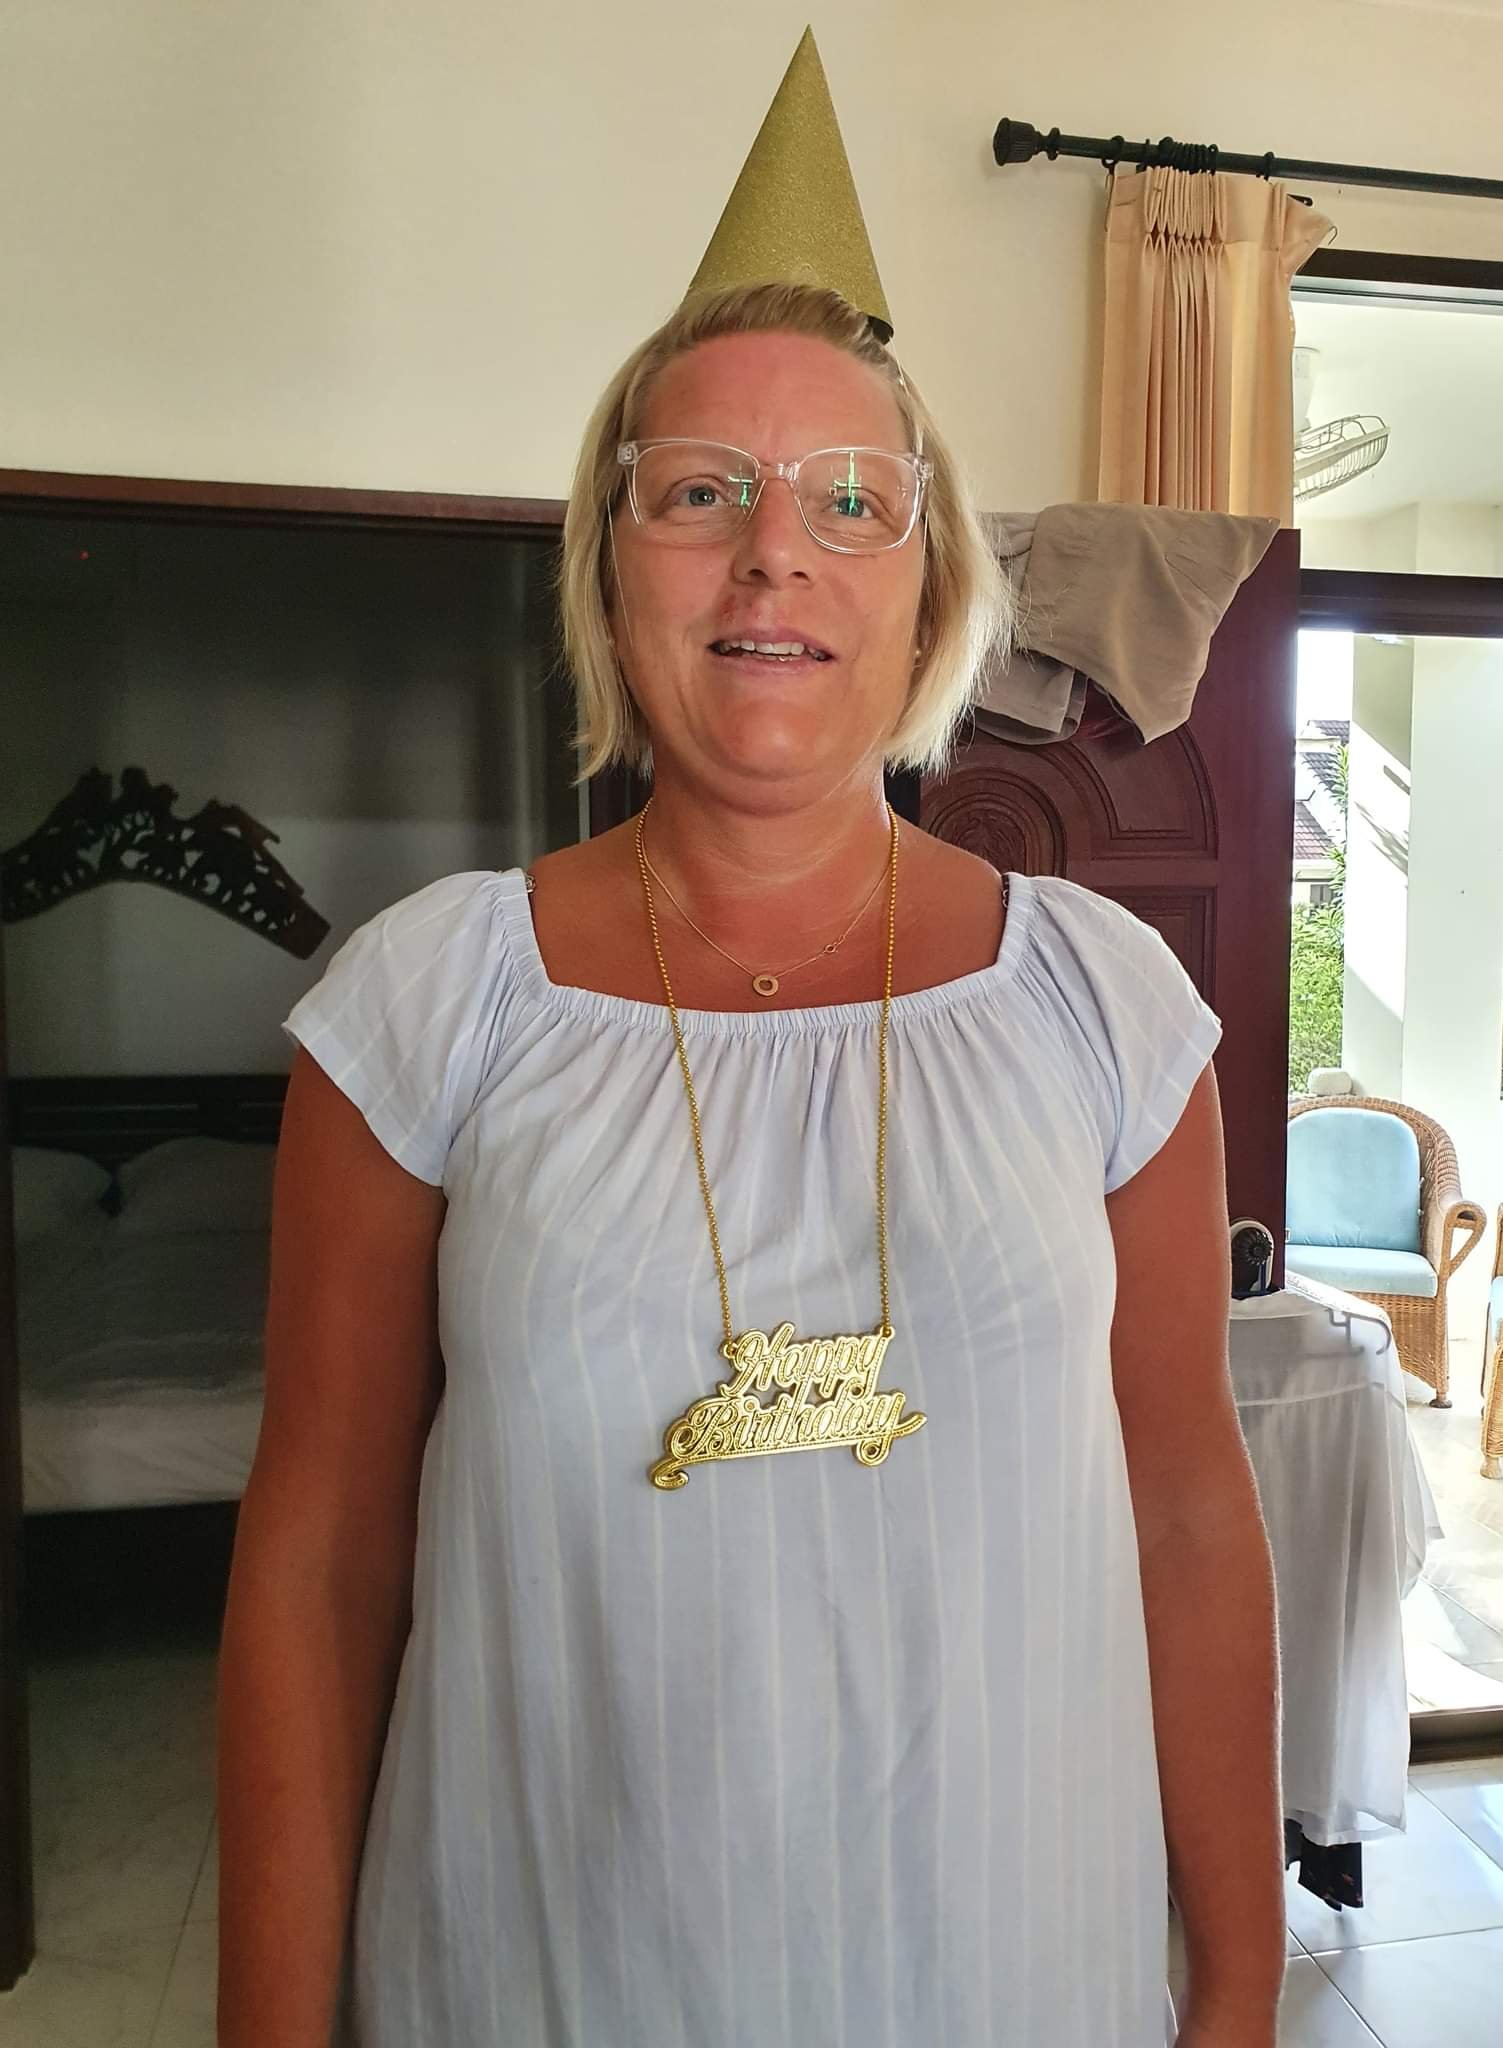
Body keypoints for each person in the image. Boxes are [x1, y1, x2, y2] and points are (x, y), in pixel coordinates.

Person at [216, 280, 1286, 2048]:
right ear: (608, 568)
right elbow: (320, 1557)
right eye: (701, 489)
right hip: (550, 1981)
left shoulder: (1104, 1004)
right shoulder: (431, 1002)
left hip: (1011, 1978)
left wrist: (1241, 1986)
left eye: (851, 498)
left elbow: (1185, 1509)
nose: (774, 552)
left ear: (929, 586)